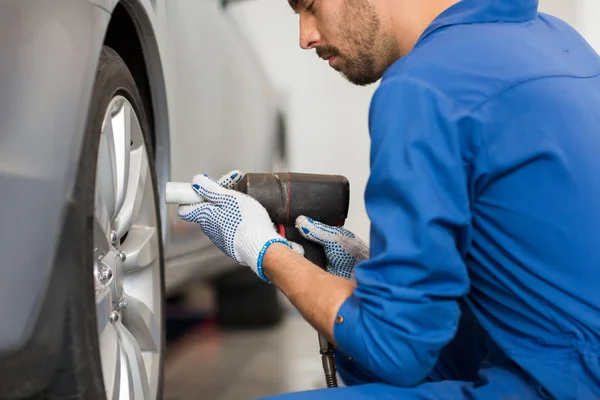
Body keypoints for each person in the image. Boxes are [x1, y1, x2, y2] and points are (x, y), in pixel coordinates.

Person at [178, 0, 600, 398]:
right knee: (362, 361)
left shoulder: (426, 85)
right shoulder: (558, 43)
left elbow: (394, 349)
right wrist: (371, 279)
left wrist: (265, 251)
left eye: (310, 5)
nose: (304, 36)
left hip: (563, 385)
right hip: (570, 358)